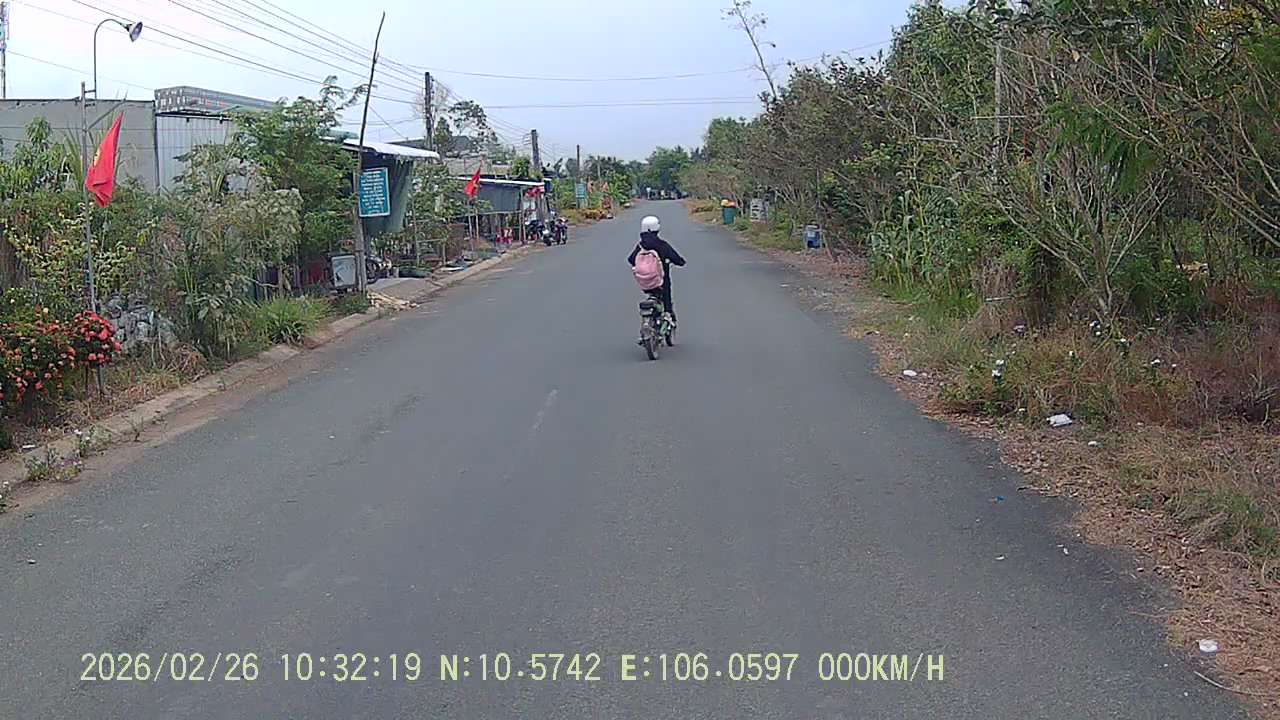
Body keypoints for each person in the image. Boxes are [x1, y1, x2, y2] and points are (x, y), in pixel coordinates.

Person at [627, 215, 686, 322]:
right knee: (666, 291)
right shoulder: (662, 245)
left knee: (651, 291)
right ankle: (668, 313)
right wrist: (680, 262)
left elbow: (631, 259)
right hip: (660, 281)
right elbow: (676, 258)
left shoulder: (640, 246)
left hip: (645, 283)